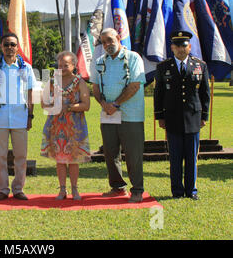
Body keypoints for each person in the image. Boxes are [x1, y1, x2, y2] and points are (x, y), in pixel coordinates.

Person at [90, 28, 146, 203]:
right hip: (108, 115)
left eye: (110, 40)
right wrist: (104, 105)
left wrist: (116, 104)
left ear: (119, 38)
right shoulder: (99, 62)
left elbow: (135, 85)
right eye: (103, 42)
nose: (107, 44)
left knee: (133, 153)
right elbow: (95, 88)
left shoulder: (133, 58)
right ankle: (117, 187)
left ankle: (137, 189)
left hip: (131, 116)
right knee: (110, 152)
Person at [154, 30, 210, 200]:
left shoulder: (200, 65)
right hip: (172, 118)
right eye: (177, 45)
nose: (180, 49)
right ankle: (177, 191)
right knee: (175, 158)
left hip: (193, 117)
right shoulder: (163, 67)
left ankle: (191, 191)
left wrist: (204, 116)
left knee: (192, 157)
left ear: (189, 46)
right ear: (172, 47)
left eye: (183, 45)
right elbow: (159, 93)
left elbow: (205, 93)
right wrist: (160, 116)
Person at [0, 32, 35, 201]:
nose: (9, 48)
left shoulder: (25, 68)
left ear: (17, 46)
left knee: (21, 155)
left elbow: (30, 93)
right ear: (1, 46)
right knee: (0, 155)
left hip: (20, 117)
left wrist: (30, 116)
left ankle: (18, 188)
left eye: (13, 45)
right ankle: (3, 189)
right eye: (6, 45)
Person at [40, 51, 91, 200]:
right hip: (56, 126)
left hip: (74, 127)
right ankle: (62, 189)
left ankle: (75, 189)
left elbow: (86, 105)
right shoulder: (51, 82)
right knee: (60, 159)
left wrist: (68, 107)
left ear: (74, 66)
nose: (61, 68)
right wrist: (53, 106)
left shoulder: (80, 82)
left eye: (66, 65)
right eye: (60, 65)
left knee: (73, 159)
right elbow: (44, 103)